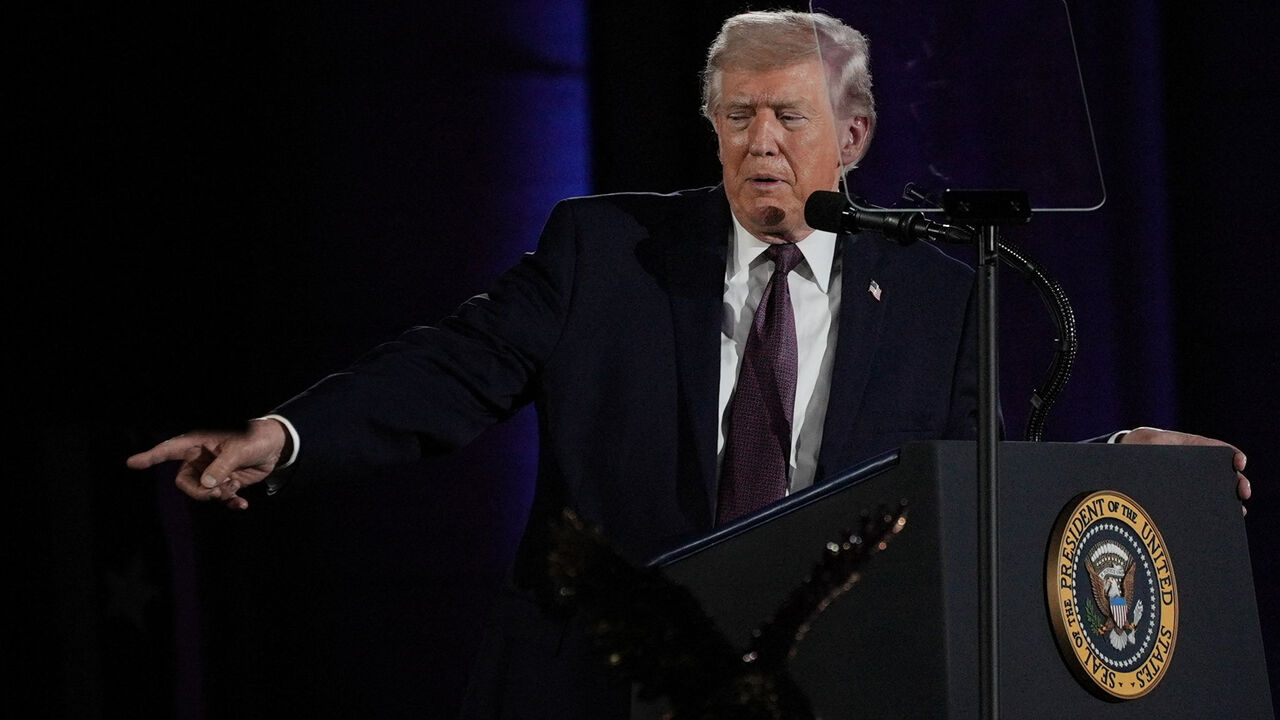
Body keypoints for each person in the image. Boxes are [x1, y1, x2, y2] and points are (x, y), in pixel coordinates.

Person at [127, 10, 1250, 718]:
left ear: (851, 138)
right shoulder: (599, 250)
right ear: (711, 127)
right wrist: (281, 437)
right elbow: (450, 367)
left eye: (789, 118)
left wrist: (1113, 468)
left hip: (827, 686)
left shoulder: (933, 293)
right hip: (608, 681)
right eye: (737, 116)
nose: (761, 143)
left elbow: (971, 485)